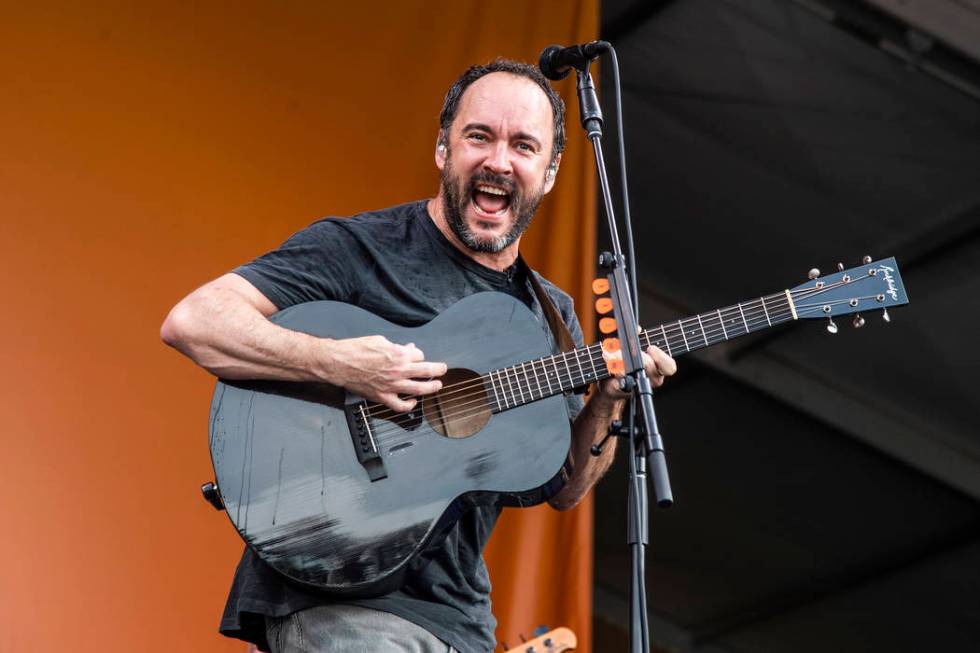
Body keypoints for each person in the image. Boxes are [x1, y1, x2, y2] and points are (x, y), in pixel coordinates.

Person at [161, 58, 676, 653]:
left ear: (550, 172)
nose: (498, 161)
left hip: (459, 620)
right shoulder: (360, 248)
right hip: (337, 597)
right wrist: (342, 364)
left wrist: (609, 400)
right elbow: (194, 321)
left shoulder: (550, 317)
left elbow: (563, 487)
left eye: (523, 145)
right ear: (443, 148)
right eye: (479, 136)